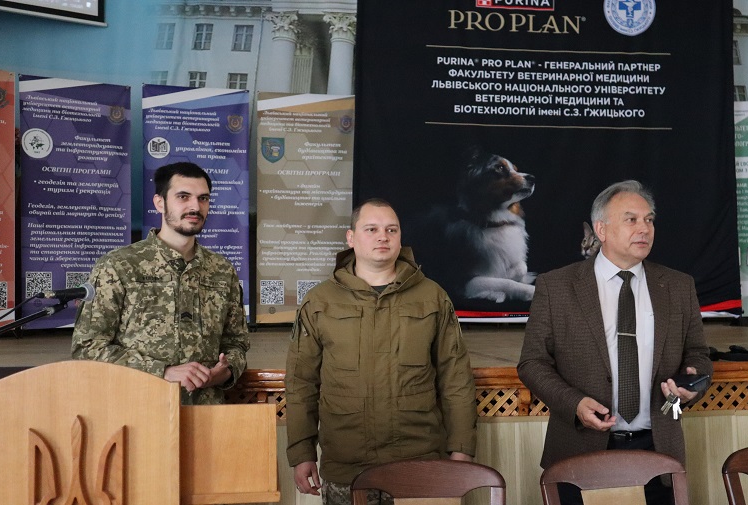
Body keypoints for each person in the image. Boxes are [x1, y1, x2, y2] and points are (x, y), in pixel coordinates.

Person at [517, 180, 712, 505]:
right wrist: (574, 404)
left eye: (649, 220)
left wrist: (692, 384)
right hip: (580, 449)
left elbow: (699, 355)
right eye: (631, 219)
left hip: (659, 451)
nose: (644, 229)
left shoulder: (678, 286)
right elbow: (532, 363)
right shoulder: (557, 286)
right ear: (601, 230)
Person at [285, 198, 477, 505]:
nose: (382, 237)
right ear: (351, 237)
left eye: (391, 230)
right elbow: (301, 383)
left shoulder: (432, 297)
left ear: (400, 238)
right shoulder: (320, 301)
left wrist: (462, 448)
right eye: (371, 229)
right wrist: (301, 452)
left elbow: (456, 380)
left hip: (418, 463)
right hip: (346, 467)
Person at [72, 162, 249, 405]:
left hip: (206, 413)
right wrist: (162, 371)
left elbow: (237, 343)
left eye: (203, 198)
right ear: (159, 202)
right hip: (139, 410)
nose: (195, 207)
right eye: (183, 197)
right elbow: (87, 348)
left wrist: (225, 372)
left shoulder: (222, 271)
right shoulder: (119, 265)